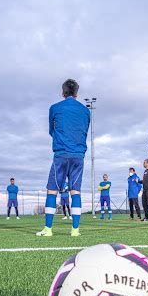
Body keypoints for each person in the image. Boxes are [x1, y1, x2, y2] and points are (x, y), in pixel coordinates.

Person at [36, 79, 90, 237]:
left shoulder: (54, 108)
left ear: (63, 92)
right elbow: (84, 130)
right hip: (78, 156)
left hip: (61, 154)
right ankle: (75, 230)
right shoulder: (86, 111)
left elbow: (51, 131)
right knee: (76, 192)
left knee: (52, 191)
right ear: (77, 93)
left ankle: (48, 229)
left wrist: (62, 139)